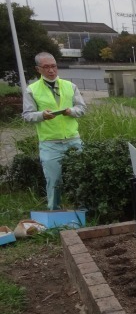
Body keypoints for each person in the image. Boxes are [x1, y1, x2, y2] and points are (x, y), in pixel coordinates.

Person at [21, 52, 87, 210]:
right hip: (50, 143)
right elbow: (27, 115)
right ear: (38, 69)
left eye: (53, 66)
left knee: (82, 177)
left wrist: (71, 111)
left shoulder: (70, 86)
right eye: (46, 67)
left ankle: (84, 210)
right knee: (54, 180)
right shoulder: (32, 90)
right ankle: (54, 211)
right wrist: (42, 115)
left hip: (73, 139)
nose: (51, 70)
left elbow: (82, 109)